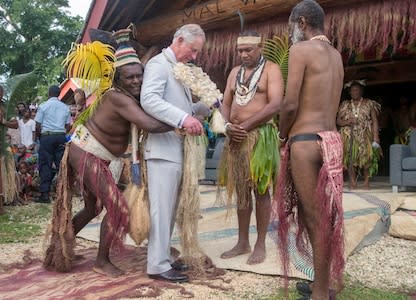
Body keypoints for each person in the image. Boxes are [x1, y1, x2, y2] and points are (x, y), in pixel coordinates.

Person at [44, 33, 173, 278]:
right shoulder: (117, 97)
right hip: (86, 152)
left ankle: (58, 250)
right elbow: (150, 124)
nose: (136, 81)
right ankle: (101, 261)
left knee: (93, 208)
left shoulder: (127, 95)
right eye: (130, 77)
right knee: (117, 207)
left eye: (139, 76)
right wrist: (184, 121)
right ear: (118, 79)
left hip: (90, 153)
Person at [276, 1, 345, 299]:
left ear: (302, 23)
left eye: (293, 26)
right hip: (330, 141)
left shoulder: (300, 50)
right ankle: (322, 284)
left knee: (314, 219)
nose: (292, 32)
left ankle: (319, 293)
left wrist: (281, 134)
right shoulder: (337, 56)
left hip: (304, 140)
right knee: (324, 219)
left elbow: (290, 103)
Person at [140, 24, 206, 283]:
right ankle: (156, 265)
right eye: (193, 50)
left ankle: (163, 257)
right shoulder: (158, 64)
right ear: (179, 40)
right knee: (161, 209)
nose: (195, 56)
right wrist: (183, 119)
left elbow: (185, 106)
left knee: (169, 209)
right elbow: (150, 100)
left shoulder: (178, 68)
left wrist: (204, 107)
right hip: (161, 150)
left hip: (176, 149)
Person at [218, 31, 283, 264]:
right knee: (242, 192)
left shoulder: (271, 70)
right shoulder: (234, 73)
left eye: (248, 50)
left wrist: (243, 126)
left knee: (261, 190)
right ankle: (242, 241)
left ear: (260, 48)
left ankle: (260, 243)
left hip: (259, 137)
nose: (243, 55)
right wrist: (227, 125)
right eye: (240, 51)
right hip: (235, 137)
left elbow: (275, 104)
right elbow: (225, 103)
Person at [336, 81, 380, 189]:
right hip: (349, 134)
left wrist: (375, 136)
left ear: (361, 91)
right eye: (353, 90)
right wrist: (347, 122)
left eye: (357, 90)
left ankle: (366, 181)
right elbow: (338, 121)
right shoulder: (345, 104)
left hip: (365, 133)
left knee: (367, 158)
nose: (355, 92)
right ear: (349, 92)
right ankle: (353, 181)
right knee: (350, 158)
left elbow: (374, 121)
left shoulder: (369, 103)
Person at [34, 85, 71, 203]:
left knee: (45, 164)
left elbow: (38, 125)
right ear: (59, 94)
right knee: (61, 165)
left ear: (49, 93)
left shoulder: (43, 106)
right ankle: (63, 192)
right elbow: (68, 125)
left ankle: (45, 194)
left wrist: (39, 137)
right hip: (60, 136)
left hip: (47, 137)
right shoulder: (65, 107)